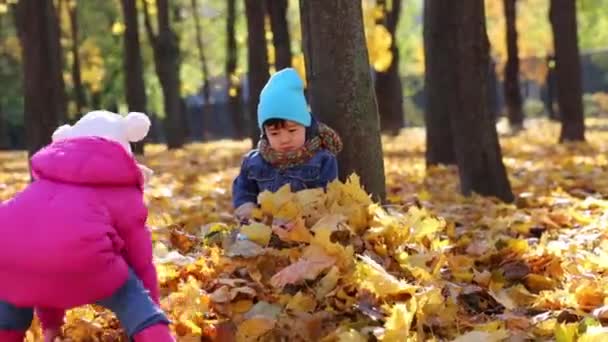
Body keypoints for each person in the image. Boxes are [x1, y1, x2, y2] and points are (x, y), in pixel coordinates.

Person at [0, 110, 174, 342]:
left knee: (13, 284)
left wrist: (51, 325)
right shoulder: (122, 190)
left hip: (7, 252)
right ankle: (155, 336)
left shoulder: (46, 179)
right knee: (130, 294)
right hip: (87, 266)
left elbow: (42, 255)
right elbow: (140, 260)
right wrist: (150, 307)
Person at [232, 68, 343, 221]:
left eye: (292, 130)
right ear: (265, 133)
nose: (284, 140)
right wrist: (245, 206)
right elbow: (244, 191)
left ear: (306, 125)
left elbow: (328, 196)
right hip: (265, 229)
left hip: (306, 228)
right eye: (274, 134)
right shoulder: (253, 162)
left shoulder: (322, 159)